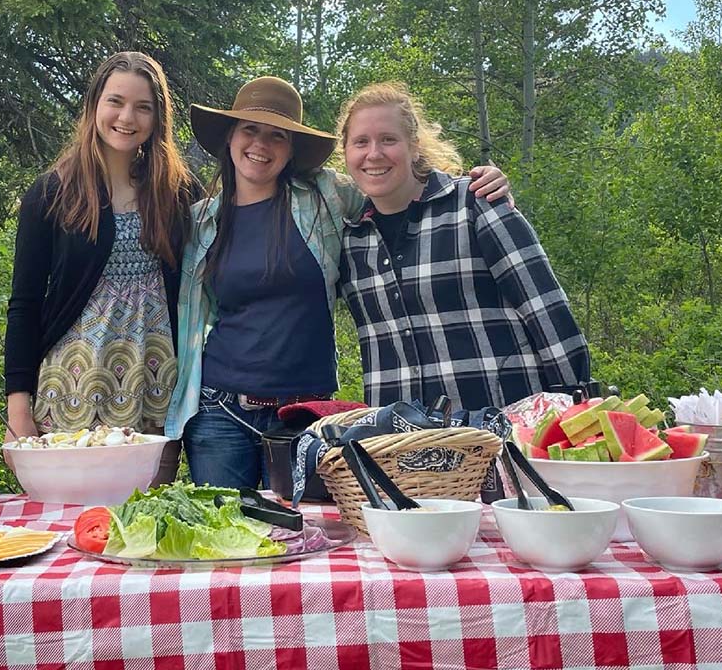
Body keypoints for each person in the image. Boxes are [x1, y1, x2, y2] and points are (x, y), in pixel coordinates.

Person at [166, 76, 511, 489]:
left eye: (277, 135)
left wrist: (474, 188)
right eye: (250, 130)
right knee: (222, 539)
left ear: (292, 149)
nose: (261, 145)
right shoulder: (200, 222)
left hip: (306, 413)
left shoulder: (325, 197)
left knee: (307, 534)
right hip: (220, 412)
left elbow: (393, 180)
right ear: (230, 138)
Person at [4, 51, 198, 485]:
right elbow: (25, 305)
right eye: (116, 101)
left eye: (143, 106)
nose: (127, 117)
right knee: (67, 524)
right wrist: (18, 411)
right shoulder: (52, 193)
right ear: (94, 106)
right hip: (70, 391)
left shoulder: (177, 193)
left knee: (145, 527)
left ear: (157, 117)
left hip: (155, 388)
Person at [336, 81, 590, 411]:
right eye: (361, 142)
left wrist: (577, 406)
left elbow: (546, 311)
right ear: (346, 153)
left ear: (414, 146)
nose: (374, 153)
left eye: (388, 139)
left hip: (502, 431)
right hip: (403, 442)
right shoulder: (348, 239)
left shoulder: (475, 204)